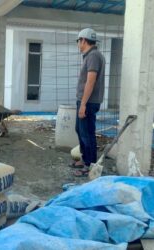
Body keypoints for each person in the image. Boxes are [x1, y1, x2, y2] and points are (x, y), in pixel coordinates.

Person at [71, 28, 105, 177]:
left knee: (87, 133)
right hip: (85, 101)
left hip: (89, 102)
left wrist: (83, 104)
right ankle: (85, 159)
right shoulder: (91, 56)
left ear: (83, 40)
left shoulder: (93, 56)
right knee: (80, 129)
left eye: (79, 41)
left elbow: (90, 81)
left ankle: (90, 165)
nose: (78, 44)